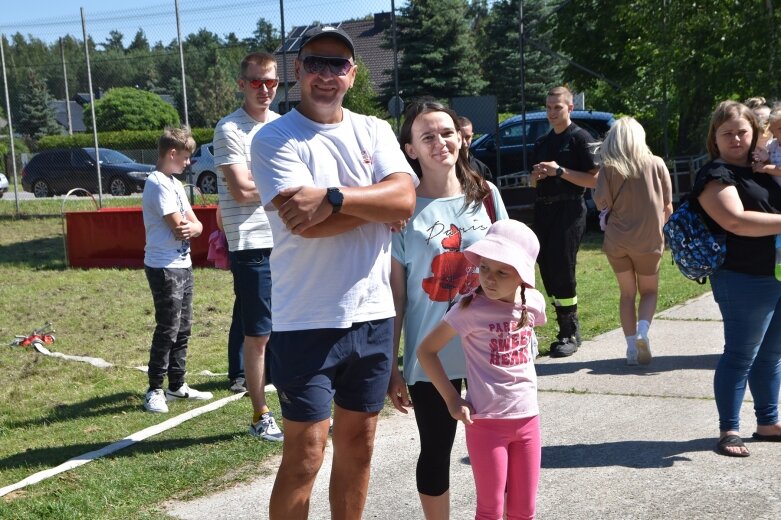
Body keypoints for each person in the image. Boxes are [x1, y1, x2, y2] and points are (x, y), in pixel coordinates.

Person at [250, 25, 417, 519]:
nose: (326, 74)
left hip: (373, 314)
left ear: (352, 73)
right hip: (307, 318)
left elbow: (406, 197)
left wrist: (334, 197)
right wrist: (376, 205)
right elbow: (303, 226)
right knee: (305, 454)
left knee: (360, 446)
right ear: (297, 71)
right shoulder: (274, 138)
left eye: (337, 65)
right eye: (316, 63)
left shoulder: (374, 130)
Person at [390, 100, 507, 520]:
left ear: (461, 138)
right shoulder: (402, 210)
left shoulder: (487, 195)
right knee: (437, 450)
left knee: (494, 449)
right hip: (431, 354)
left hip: (488, 350)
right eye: (427, 136)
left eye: (446, 133)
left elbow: (511, 266)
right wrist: (392, 364)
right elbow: (398, 296)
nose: (440, 142)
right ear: (410, 150)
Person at [417, 219, 545, 520]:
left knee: (524, 510)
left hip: (528, 420)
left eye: (503, 272)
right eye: (485, 268)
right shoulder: (468, 308)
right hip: (486, 423)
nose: (490, 278)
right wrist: (452, 399)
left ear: (524, 276)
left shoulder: (533, 305)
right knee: (490, 510)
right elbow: (426, 351)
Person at [691, 100, 781, 457]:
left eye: (743, 131)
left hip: (774, 273)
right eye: (727, 132)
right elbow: (735, 220)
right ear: (715, 137)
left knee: (771, 355)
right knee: (741, 354)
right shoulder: (715, 174)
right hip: (741, 276)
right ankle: (729, 429)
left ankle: (768, 422)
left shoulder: (762, 168)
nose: (736, 138)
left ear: (754, 133)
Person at [213, 51, 283, 440]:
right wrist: (290, 190)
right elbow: (240, 190)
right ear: (241, 84)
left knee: (290, 328)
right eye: (256, 82)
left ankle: (295, 402)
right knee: (257, 335)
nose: (265, 89)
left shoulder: (282, 125)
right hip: (252, 244)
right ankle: (260, 416)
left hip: (288, 240)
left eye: (271, 82)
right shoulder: (230, 129)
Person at [142, 126, 213, 413]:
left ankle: (176, 385)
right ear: (172, 153)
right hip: (164, 267)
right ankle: (154, 389)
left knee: (183, 328)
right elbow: (179, 227)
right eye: (185, 158)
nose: (187, 163)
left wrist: (193, 227)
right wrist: (190, 228)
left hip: (183, 265)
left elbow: (196, 225)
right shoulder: (158, 183)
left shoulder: (175, 184)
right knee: (168, 328)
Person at [593, 117, 672, 366]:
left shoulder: (607, 169)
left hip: (617, 241)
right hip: (649, 240)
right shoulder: (657, 164)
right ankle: (643, 332)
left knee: (627, 294)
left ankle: (630, 350)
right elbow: (667, 205)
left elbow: (600, 203)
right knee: (649, 292)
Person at [529, 85, 599, 357]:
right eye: (548, 107)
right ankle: (563, 325)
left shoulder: (580, 138)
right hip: (544, 210)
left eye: (557, 107)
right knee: (546, 265)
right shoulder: (542, 142)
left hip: (570, 210)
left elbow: (594, 179)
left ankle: (569, 330)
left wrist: (560, 171)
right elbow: (532, 182)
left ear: (570, 108)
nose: (551, 113)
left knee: (562, 266)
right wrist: (536, 177)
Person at [752, 105, 781, 187]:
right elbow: (773, 163)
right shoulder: (772, 145)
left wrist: (765, 168)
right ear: (772, 131)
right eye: (780, 128)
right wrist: (766, 159)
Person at [458, 115, 494, 181]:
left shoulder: (481, 169)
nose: (463, 142)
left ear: (472, 136)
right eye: (460, 137)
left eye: (467, 137)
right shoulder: (445, 166)